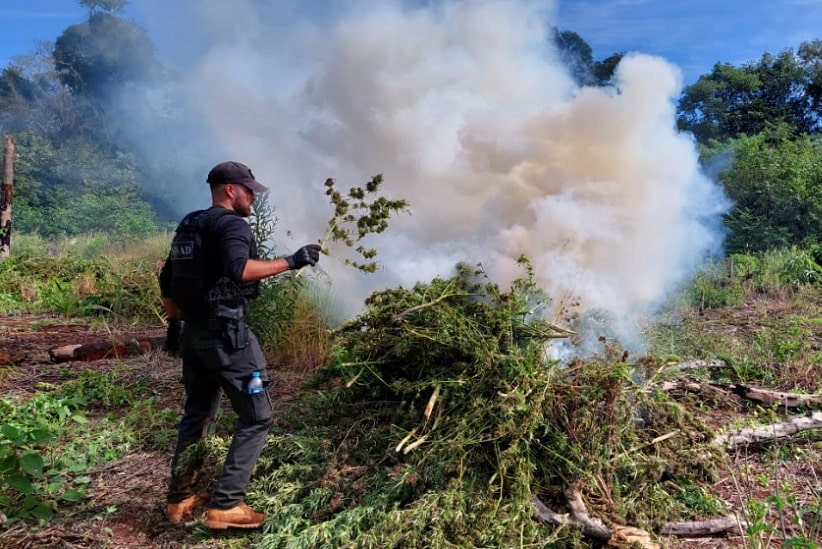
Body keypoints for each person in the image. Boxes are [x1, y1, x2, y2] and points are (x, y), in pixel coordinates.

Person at [158, 160, 321, 529]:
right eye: (250, 191)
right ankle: (227, 505)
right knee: (257, 413)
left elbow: (166, 278)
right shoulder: (232, 224)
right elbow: (240, 270)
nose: (254, 199)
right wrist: (293, 261)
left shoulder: (190, 224)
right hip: (231, 343)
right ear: (230, 189)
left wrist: (173, 326)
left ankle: (180, 499)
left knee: (197, 414)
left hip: (195, 341)